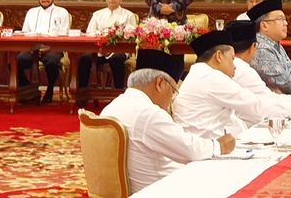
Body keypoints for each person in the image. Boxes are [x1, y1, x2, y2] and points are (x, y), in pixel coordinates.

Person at [100, 49, 235, 194]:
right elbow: (190, 150)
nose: (172, 99)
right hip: (157, 191)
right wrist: (219, 145)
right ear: (160, 83)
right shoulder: (148, 113)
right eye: (173, 91)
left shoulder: (111, 107)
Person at [172, 30, 263, 138]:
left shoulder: (200, 74)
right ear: (219, 56)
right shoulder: (210, 77)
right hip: (205, 150)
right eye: (232, 59)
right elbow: (256, 106)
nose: (234, 66)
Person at [228, 20, 291, 123]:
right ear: (254, 47)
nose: (285, 23)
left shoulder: (232, 65)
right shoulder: (242, 69)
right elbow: (267, 100)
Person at [77, 0, 138, 89]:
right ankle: (82, 94)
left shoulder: (128, 15)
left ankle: (119, 93)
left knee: (117, 59)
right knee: (84, 59)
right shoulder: (97, 14)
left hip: (119, 51)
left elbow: (132, 37)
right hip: (99, 51)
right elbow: (90, 34)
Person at [17, 0, 70, 103]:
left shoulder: (62, 12)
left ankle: (50, 89)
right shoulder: (31, 12)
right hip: (32, 48)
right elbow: (25, 33)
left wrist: (49, 47)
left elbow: (64, 35)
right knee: (16, 62)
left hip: (53, 48)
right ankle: (30, 91)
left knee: (52, 61)